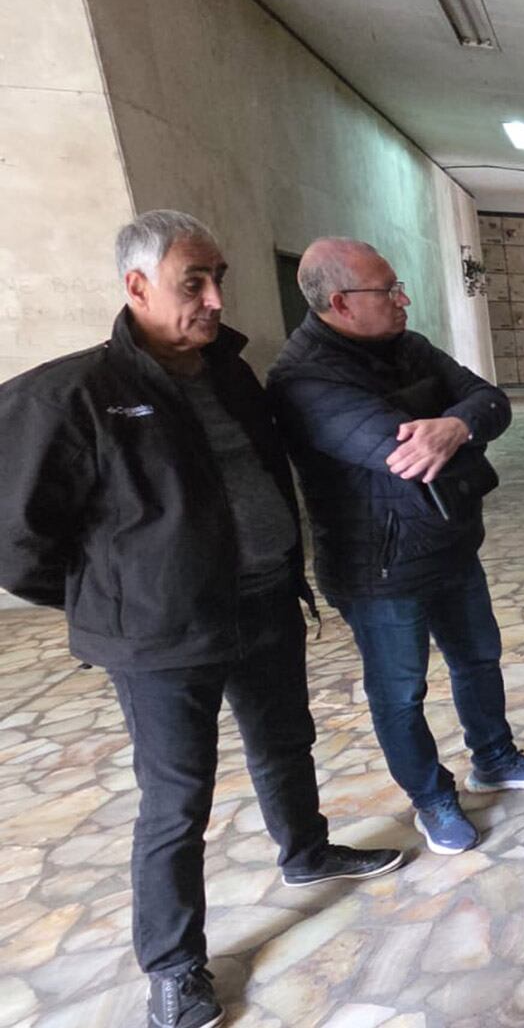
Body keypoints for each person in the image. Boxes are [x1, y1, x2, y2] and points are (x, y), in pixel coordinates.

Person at [0, 211, 403, 1028]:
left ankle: (306, 850)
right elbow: (16, 540)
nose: (216, 298)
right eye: (195, 282)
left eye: (218, 278)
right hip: (162, 638)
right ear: (137, 286)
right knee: (176, 797)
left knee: (285, 740)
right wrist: (112, 600)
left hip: (260, 602)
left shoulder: (228, 373)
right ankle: (175, 964)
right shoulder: (76, 393)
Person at [269, 237, 524, 856]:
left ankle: (495, 756)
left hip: (449, 545)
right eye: (389, 290)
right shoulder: (303, 376)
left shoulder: (407, 346)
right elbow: (403, 454)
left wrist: (457, 424)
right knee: (401, 692)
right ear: (343, 303)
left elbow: (491, 400)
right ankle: (432, 798)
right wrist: (451, 426)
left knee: (478, 657)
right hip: (378, 566)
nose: (403, 299)